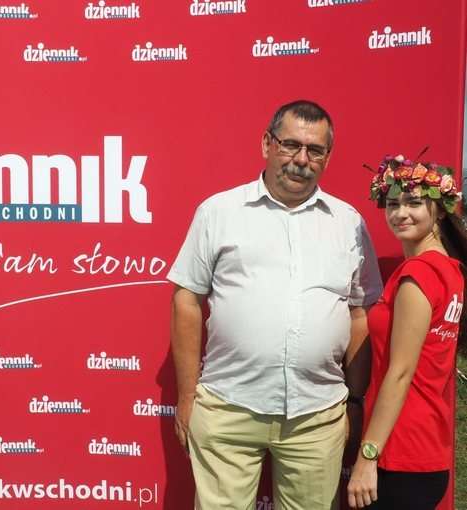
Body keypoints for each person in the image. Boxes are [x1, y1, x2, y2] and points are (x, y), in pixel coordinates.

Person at [168, 99, 383, 510]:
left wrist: (356, 401)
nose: (301, 160)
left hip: (317, 415)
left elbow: (359, 312)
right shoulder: (219, 212)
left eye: (315, 150)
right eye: (290, 145)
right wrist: (187, 395)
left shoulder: (348, 223)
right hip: (227, 406)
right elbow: (187, 300)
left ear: (327, 157)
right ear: (267, 144)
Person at [347, 154, 466, 509]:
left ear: (440, 210)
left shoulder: (419, 275)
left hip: (398, 452)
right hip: (427, 449)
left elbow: (400, 373)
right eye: (393, 204)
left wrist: (367, 457)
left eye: (414, 203)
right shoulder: (451, 271)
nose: (401, 213)